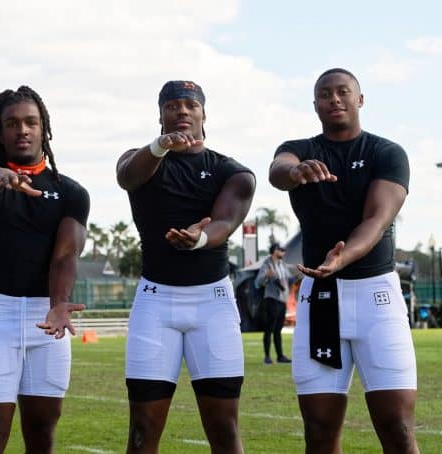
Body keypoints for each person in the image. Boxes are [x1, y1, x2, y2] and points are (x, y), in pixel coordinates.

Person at [269, 68, 418, 453]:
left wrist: (344, 256)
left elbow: (377, 219)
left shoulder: (386, 153)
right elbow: (277, 171)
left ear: (360, 99)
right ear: (315, 104)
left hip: (376, 298)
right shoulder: (300, 148)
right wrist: (295, 170)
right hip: (322, 299)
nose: (334, 99)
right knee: (319, 431)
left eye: (342, 92)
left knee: (397, 427)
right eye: (324, 94)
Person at [116, 80, 255, 453]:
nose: (182, 111)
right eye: (173, 105)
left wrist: (200, 239)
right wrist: (161, 146)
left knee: (225, 430)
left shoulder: (232, 171)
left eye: (190, 105)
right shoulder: (139, 159)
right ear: (160, 115)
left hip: (212, 302)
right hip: (155, 302)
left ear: (204, 114)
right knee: (142, 432)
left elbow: (225, 222)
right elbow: (127, 176)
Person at [0, 86, 90, 454]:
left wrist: (59, 303)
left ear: (44, 128)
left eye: (31, 122)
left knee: (42, 434)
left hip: (47, 316)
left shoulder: (70, 192)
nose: (23, 130)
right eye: (12, 123)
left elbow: (66, 255)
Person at [255, 242, 292, 364]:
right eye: (281, 249)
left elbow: (289, 278)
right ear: (274, 250)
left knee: (278, 330)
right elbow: (258, 282)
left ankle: (280, 356)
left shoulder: (283, 265)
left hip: (282, 300)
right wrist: (266, 275)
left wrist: (297, 275)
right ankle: (267, 357)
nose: (283, 252)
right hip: (271, 300)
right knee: (269, 329)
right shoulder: (267, 264)